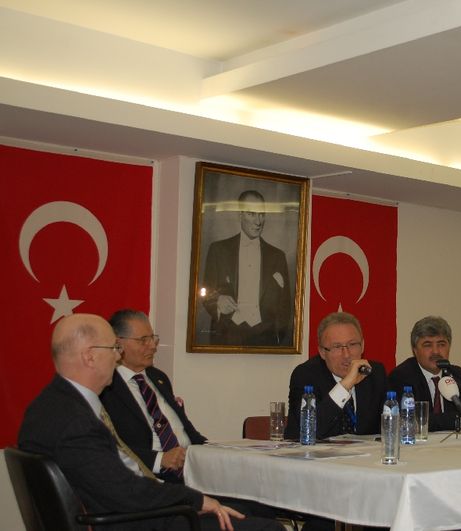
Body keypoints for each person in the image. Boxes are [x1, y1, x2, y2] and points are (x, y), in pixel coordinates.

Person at [17, 313, 282, 531]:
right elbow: (126, 491)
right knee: (268, 528)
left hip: (132, 512)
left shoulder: (53, 405)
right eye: (113, 348)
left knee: (251, 512)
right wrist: (195, 500)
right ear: (89, 356)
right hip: (136, 521)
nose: (117, 357)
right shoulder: (74, 421)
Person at [101, 309, 206, 482]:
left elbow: (189, 433)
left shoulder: (158, 377)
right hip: (150, 478)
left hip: (192, 469)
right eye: (143, 340)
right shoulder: (106, 386)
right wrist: (159, 460)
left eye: (153, 338)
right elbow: (109, 447)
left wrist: (215, 451)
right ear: (118, 343)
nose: (152, 346)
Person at [201, 190, 292, 346]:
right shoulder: (218, 250)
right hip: (226, 336)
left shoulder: (278, 256)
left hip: (266, 339)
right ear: (240, 215)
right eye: (251, 214)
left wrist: (277, 338)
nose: (258, 221)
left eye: (261, 214)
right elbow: (205, 292)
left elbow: (285, 305)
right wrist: (217, 301)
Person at [285, 311, 387, 440]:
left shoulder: (374, 373)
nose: (346, 354)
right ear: (322, 352)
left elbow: (391, 425)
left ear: (363, 346)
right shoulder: (305, 375)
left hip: (365, 452)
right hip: (312, 452)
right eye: (337, 347)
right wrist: (345, 385)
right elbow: (310, 430)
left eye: (352, 344)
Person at [388, 316, 461, 432]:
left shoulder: (456, 374)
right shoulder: (402, 376)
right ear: (415, 350)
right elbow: (410, 420)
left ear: (449, 347)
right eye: (428, 345)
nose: (436, 351)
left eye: (441, 344)